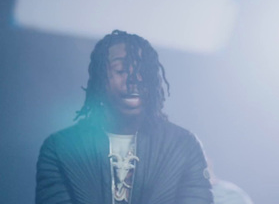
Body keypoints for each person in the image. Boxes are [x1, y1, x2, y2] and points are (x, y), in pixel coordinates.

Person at [35, 30, 213, 204]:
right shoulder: (60, 148)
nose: (134, 79)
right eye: (121, 70)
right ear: (100, 78)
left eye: (144, 71)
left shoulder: (184, 145)